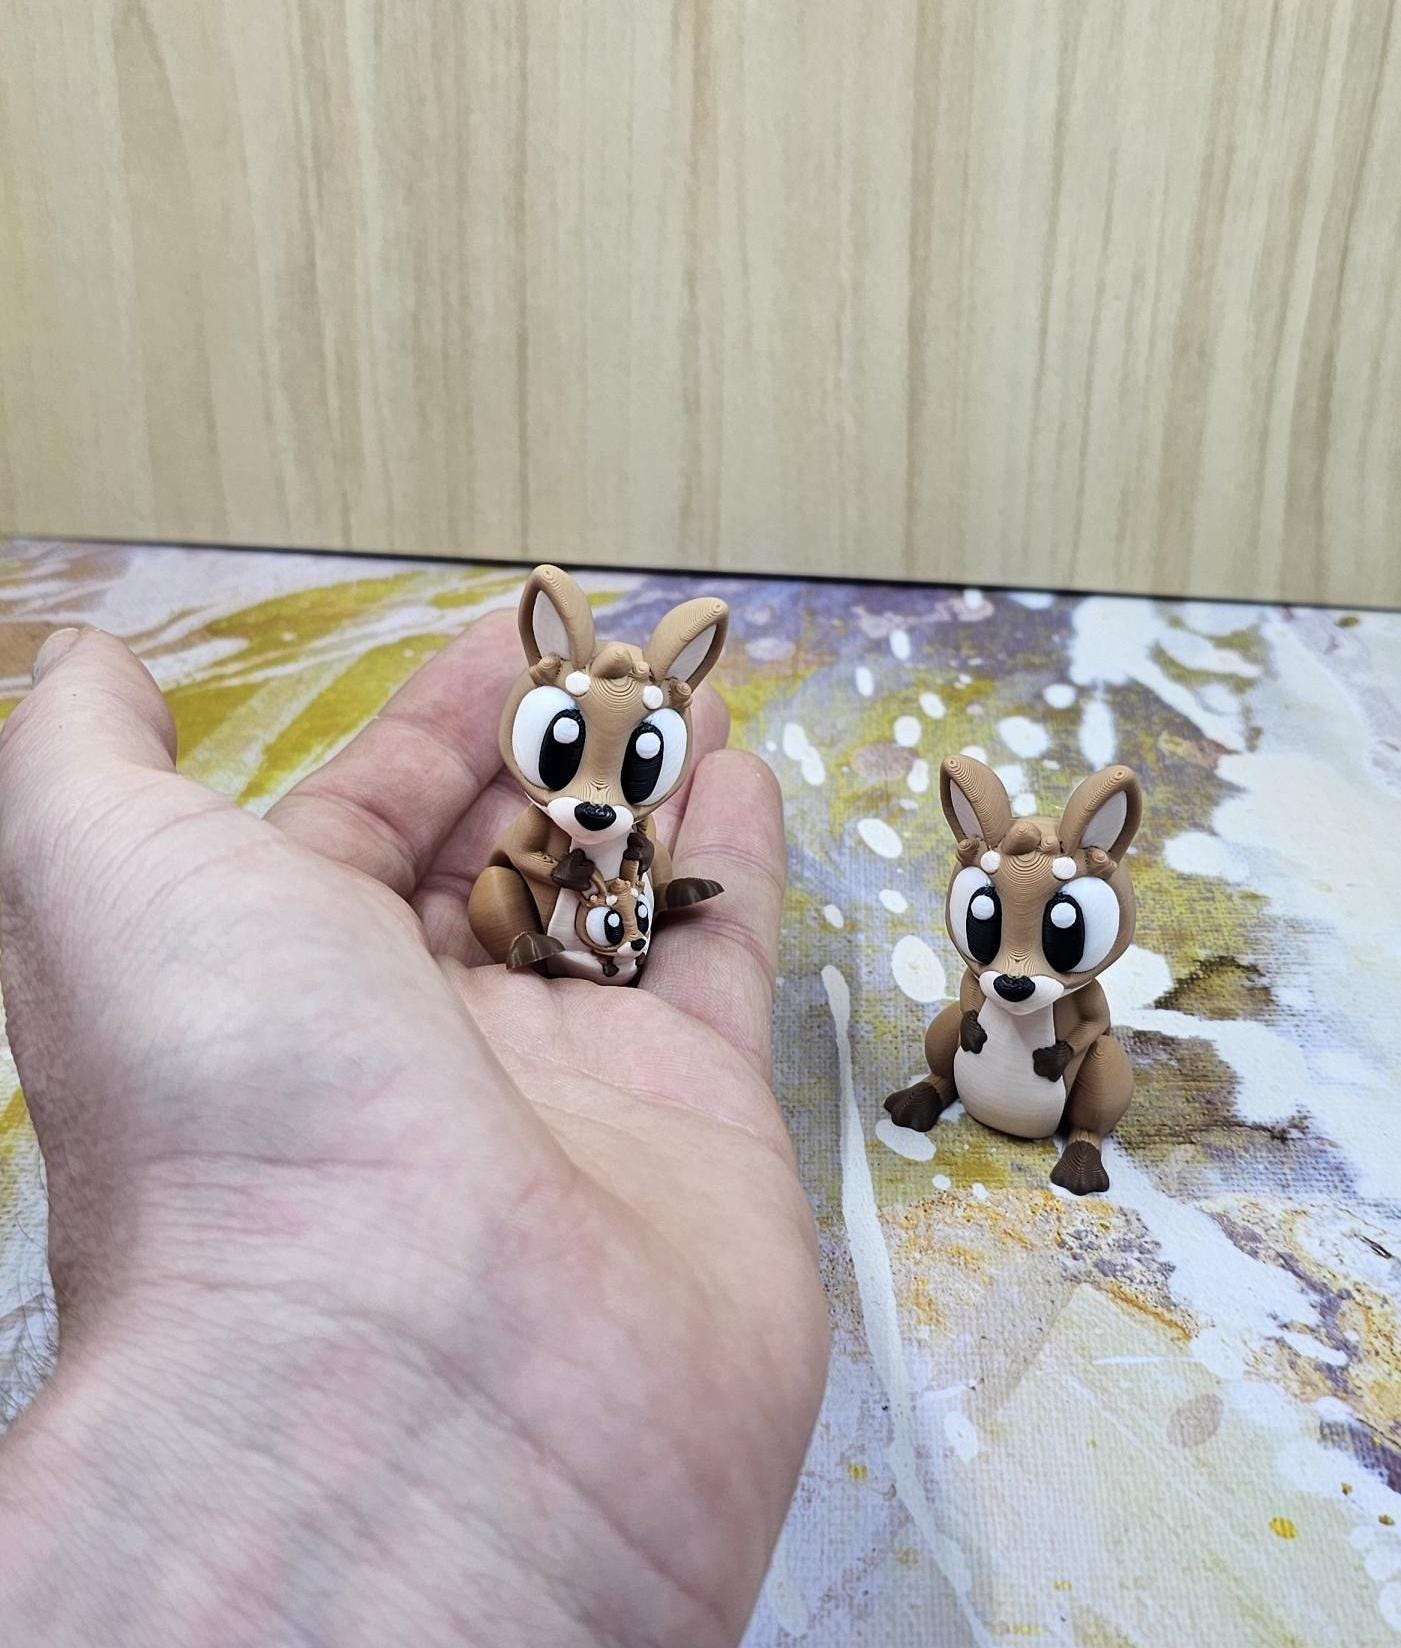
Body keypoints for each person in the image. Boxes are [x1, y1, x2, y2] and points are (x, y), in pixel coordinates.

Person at [0, 620, 829, 1647]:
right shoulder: (541, 832)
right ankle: (534, 944)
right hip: (548, 932)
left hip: (616, 945)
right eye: (570, 756)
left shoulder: (633, 837)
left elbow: (635, 854)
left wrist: (646, 888)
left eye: (629, 768)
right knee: (499, 898)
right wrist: (559, 898)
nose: (596, 797)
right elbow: (522, 861)